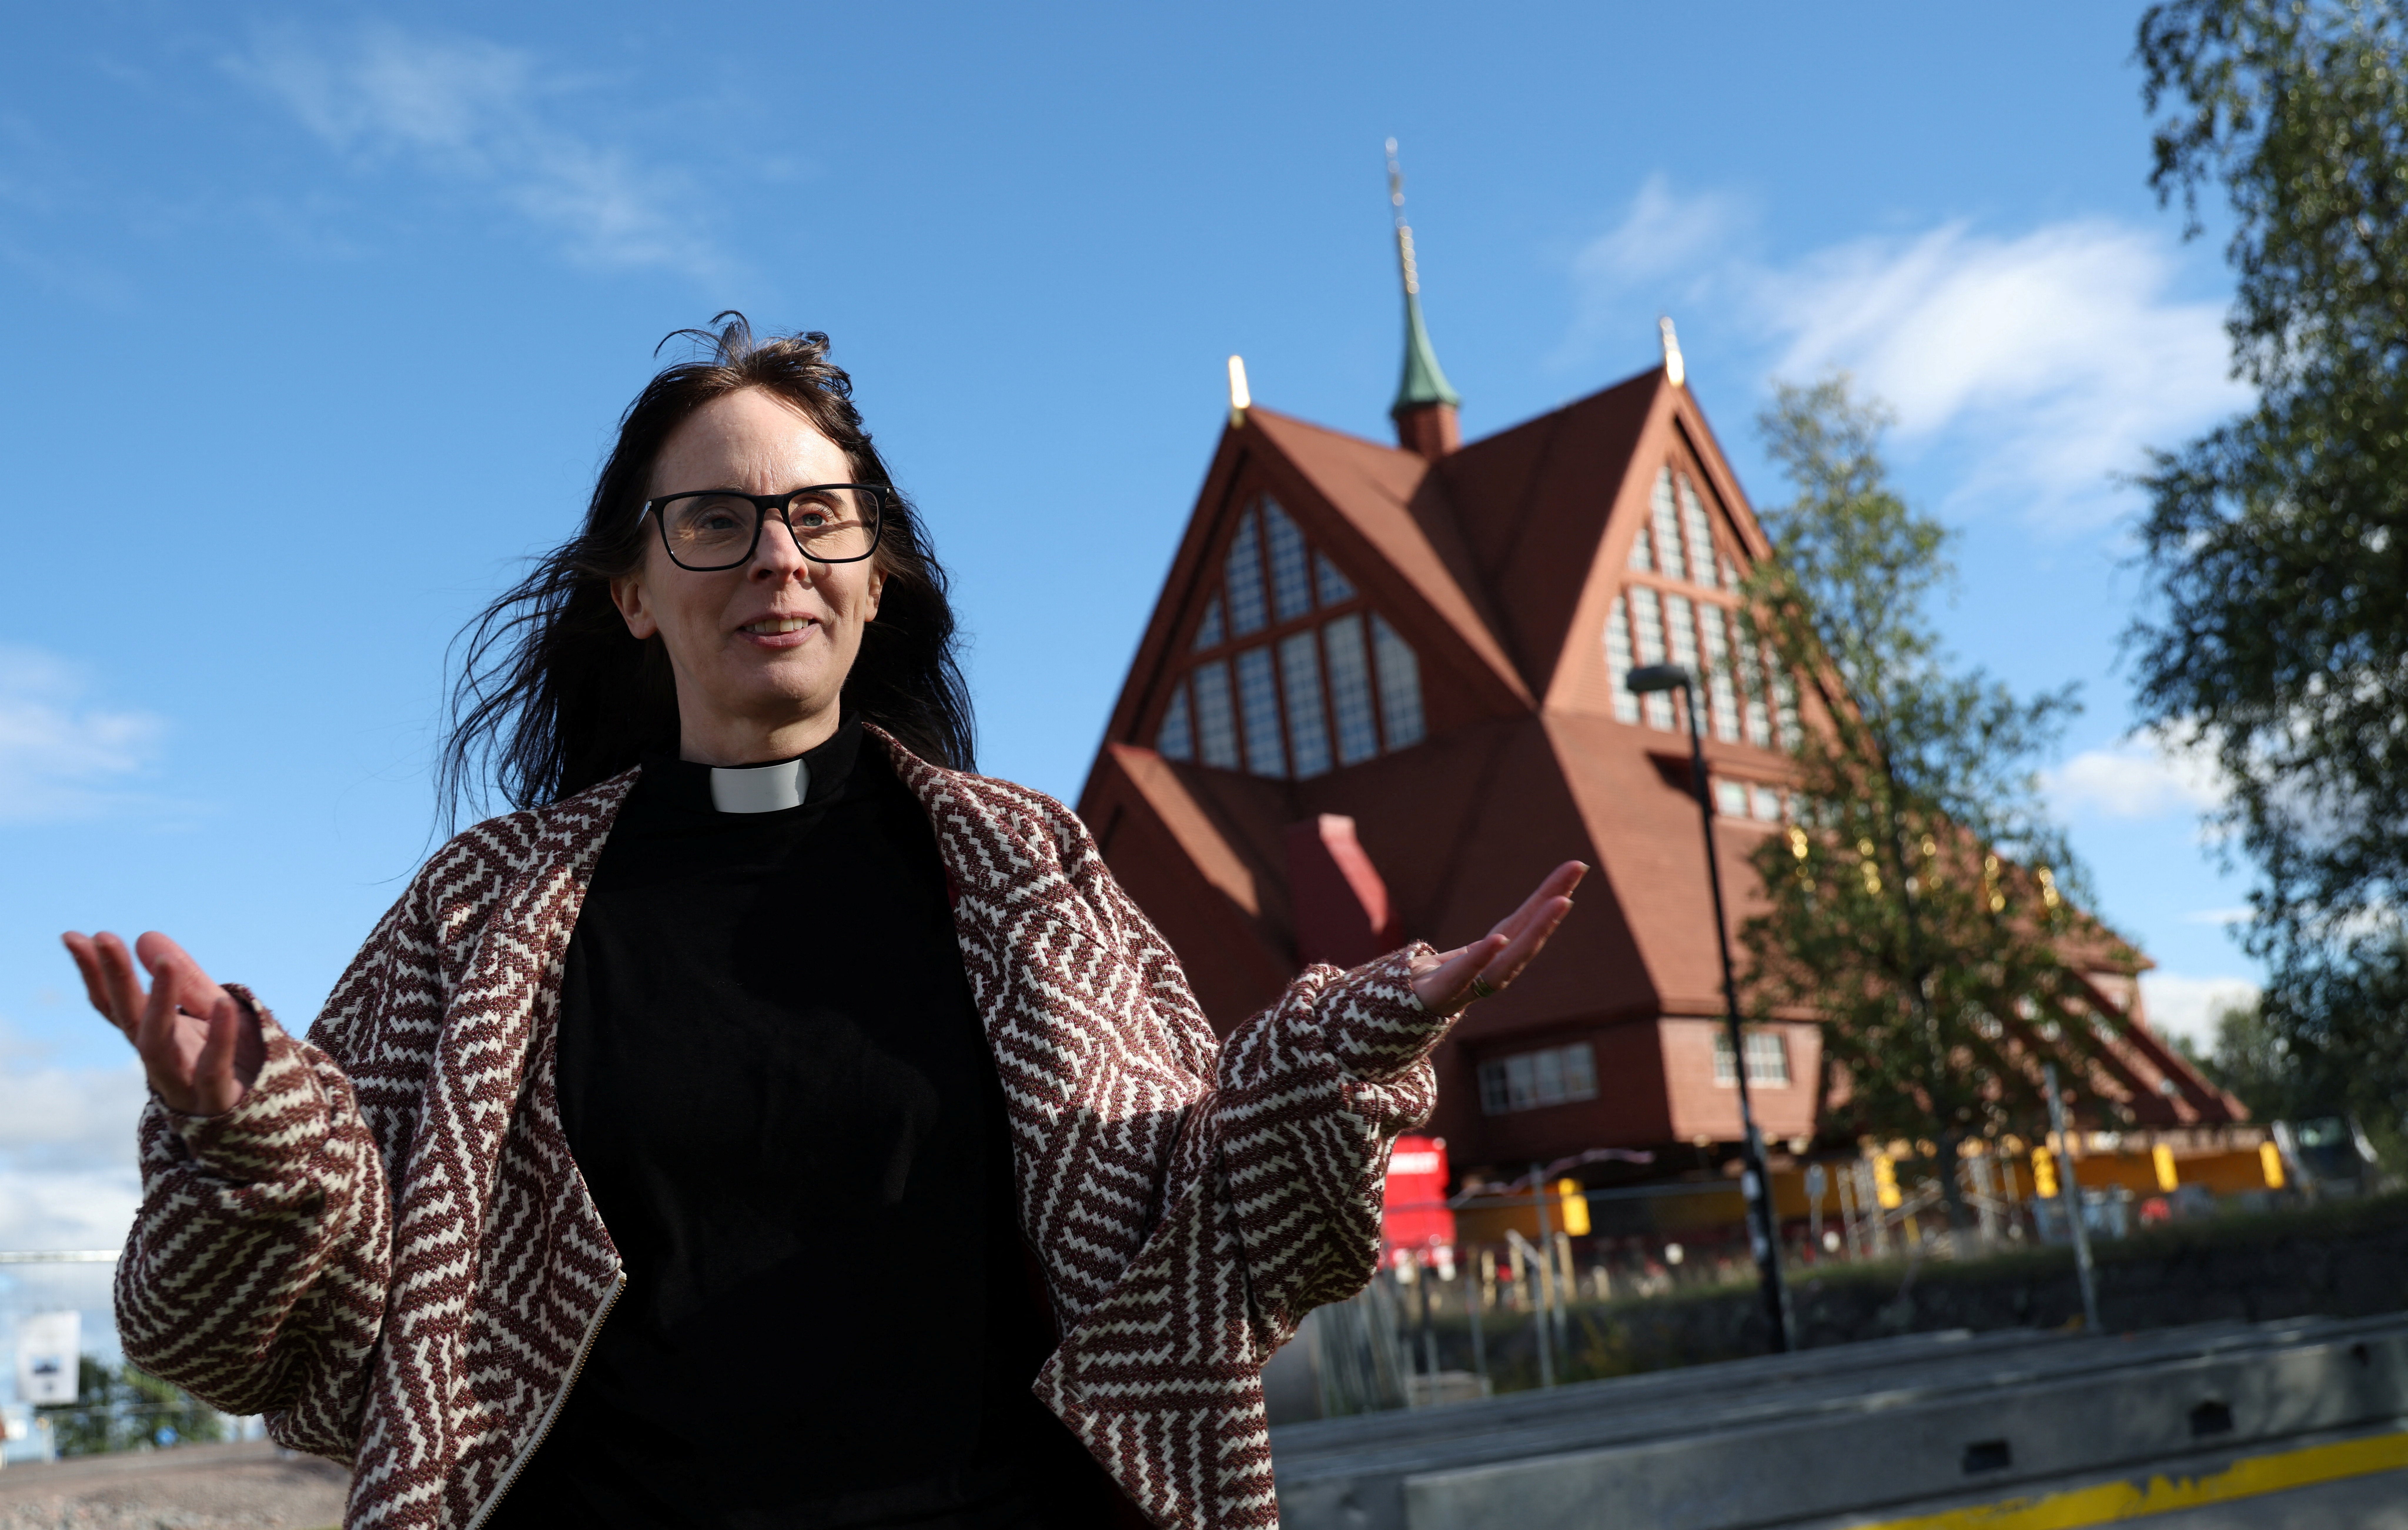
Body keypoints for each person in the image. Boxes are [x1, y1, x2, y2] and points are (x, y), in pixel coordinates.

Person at [63, 316, 1584, 1530]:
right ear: (634, 595)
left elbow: (1227, 1256)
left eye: (817, 517)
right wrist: (252, 1143)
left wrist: (1339, 1057)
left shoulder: (1030, 871)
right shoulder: (480, 917)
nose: (776, 554)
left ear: (874, 577)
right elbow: (239, 1348)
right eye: (714, 521)